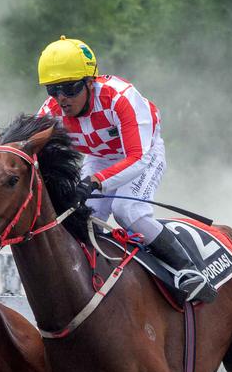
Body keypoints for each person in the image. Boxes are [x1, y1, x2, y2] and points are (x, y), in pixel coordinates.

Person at [35, 36, 216, 303]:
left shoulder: (121, 98)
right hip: (100, 159)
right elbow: (32, 156)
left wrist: (96, 181)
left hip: (143, 154)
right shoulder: (49, 113)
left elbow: (137, 157)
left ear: (89, 81)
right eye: (53, 90)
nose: (61, 99)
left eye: (70, 89)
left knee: (128, 211)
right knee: (80, 217)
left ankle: (191, 271)